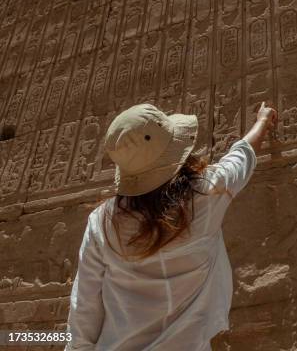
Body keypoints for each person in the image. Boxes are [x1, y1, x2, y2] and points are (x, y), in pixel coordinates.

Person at [65, 102, 277, 351]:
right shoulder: (204, 197)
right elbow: (240, 159)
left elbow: (84, 309)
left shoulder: (102, 222)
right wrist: (263, 121)